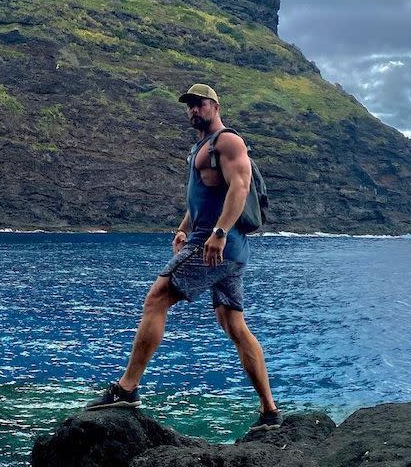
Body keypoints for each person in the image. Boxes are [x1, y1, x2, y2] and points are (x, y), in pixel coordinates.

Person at [86, 83, 281, 430]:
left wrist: (218, 233)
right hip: (220, 247)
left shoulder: (228, 142)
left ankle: (127, 389)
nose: (193, 110)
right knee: (234, 325)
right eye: (189, 106)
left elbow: (240, 186)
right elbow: (202, 198)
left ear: (215, 105)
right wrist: (182, 227)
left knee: (156, 298)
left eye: (199, 104)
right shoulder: (200, 149)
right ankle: (269, 411)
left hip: (215, 246)